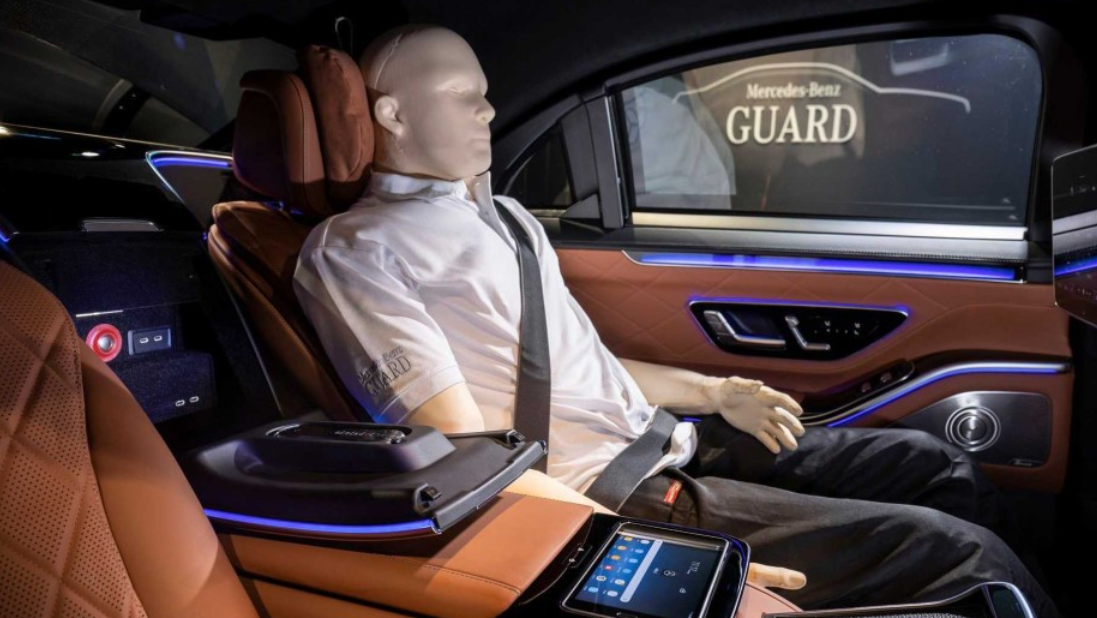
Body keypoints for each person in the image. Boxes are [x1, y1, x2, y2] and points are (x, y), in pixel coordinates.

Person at [292, 24, 1060, 617]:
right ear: (390, 113)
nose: (488, 110)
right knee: (964, 555)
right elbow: (460, 455)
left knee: (937, 467)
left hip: (668, 441)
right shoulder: (356, 251)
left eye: (486, 93)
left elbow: (577, 369)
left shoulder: (506, 217)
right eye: (464, 94)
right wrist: (629, 548)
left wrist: (715, 390)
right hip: (606, 493)